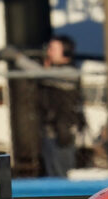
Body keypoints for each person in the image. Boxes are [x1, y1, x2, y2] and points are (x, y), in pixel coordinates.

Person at [37, 35, 85, 177]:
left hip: (64, 132)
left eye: (53, 49)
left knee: (63, 173)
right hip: (49, 130)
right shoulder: (52, 71)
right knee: (51, 172)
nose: (49, 52)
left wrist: (18, 58)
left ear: (66, 52)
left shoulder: (68, 73)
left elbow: (41, 74)